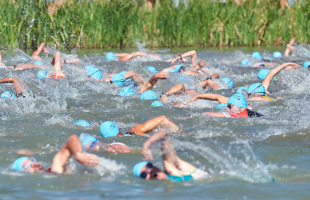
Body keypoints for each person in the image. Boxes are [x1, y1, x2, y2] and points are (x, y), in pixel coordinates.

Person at [133, 129, 208, 181]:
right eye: (144, 174)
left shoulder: (172, 169)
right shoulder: (165, 188)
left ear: (154, 166)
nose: (149, 171)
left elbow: (163, 133)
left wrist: (147, 144)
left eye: (148, 166)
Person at [11, 134, 99, 174]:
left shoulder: (54, 168)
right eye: (27, 167)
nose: (34, 164)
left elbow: (72, 138)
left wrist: (78, 155)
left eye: (32, 161)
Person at [187, 93, 263, 118]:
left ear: (235, 105)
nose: (227, 109)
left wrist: (192, 116)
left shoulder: (237, 113)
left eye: (229, 106)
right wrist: (198, 96)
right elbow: (218, 97)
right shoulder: (252, 112)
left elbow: (211, 114)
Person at [100, 115, 181, 137]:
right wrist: (182, 134)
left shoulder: (111, 148)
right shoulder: (134, 130)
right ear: (118, 129)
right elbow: (162, 119)